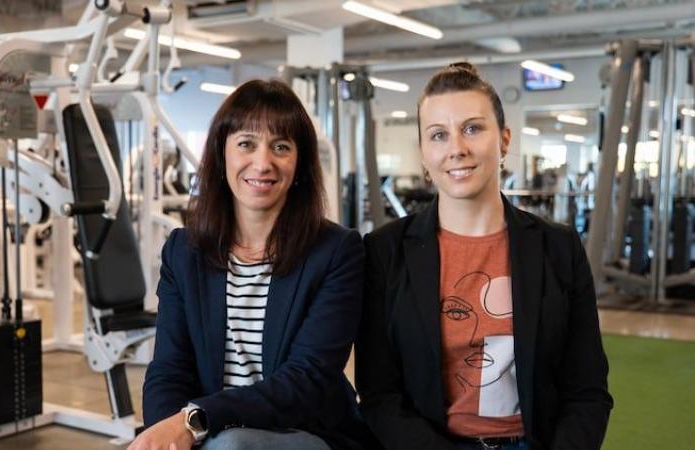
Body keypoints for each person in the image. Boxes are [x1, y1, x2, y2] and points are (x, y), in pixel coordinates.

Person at [355, 63, 613, 450]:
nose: (456, 148)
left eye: (473, 128)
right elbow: (379, 397)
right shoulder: (384, 251)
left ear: (505, 140)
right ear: (424, 154)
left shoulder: (558, 248)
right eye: (438, 135)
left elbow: (587, 391)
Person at [128, 79, 368, 450]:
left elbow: (307, 381)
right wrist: (167, 434)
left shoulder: (336, 251)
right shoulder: (183, 250)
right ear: (221, 155)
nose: (263, 162)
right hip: (210, 433)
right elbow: (168, 369)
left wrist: (196, 420)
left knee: (232, 445)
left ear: (300, 163)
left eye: (281, 147)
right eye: (246, 144)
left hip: (305, 431)